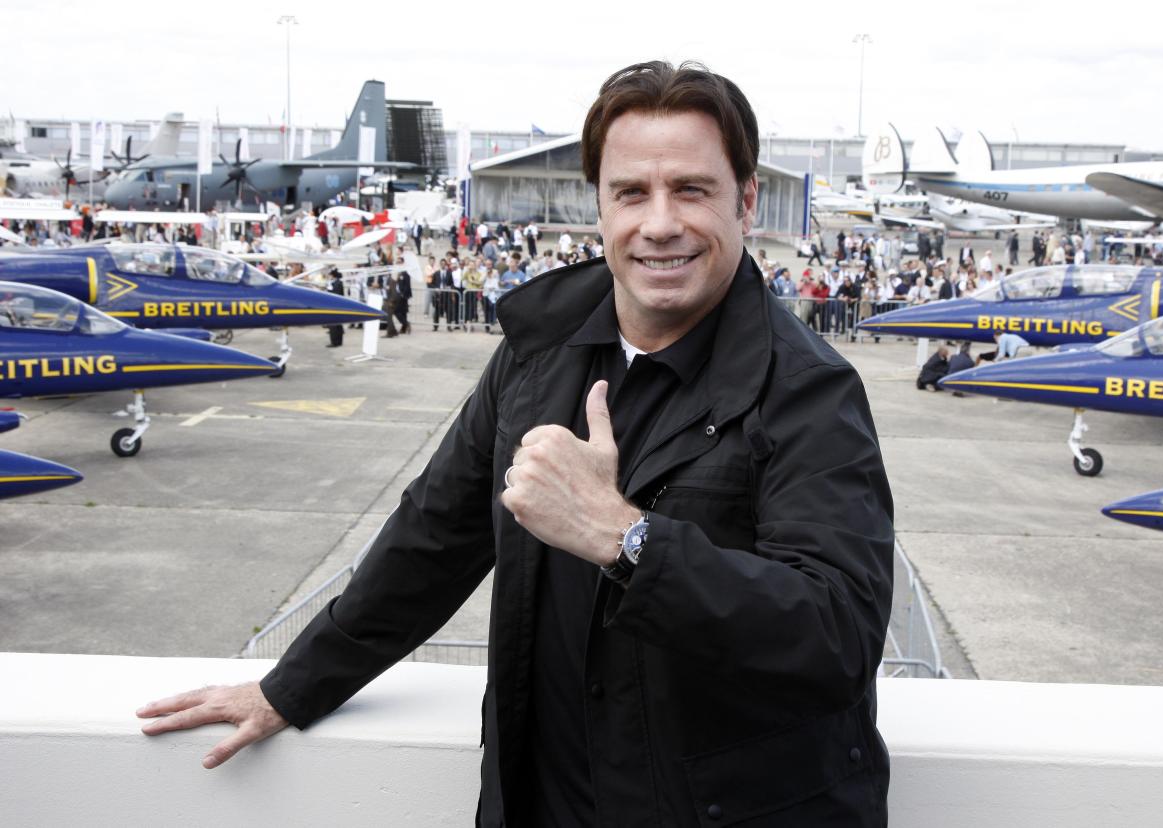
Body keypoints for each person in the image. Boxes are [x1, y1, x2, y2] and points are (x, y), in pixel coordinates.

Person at [136, 60, 894, 826]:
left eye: (692, 190)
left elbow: (837, 637)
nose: (660, 223)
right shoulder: (539, 358)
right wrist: (291, 687)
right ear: (597, 204)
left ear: (746, 200)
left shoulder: (805, 390)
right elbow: (434, 538)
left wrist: (625, 538)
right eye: (631, 192)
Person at [325, 268, 345, 348]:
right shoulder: (338, 282)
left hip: (334, 306)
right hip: (339, 306)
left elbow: (333, 293)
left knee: (333, 325)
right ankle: (339, 341)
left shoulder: (335, 283)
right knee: (338, 325)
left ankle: (334, 342)